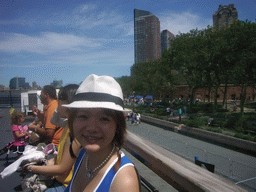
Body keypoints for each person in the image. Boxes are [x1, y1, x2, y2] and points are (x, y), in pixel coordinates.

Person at [63, 74, 140, 192]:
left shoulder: (124, 182)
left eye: (104, 118)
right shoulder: (82, 154)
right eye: (83, 116)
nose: (92, 128)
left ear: (117, 126)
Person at [25, 84, 81, 192]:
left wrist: (31, 168)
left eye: (59, 100)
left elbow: (62, 168)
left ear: (66, 104)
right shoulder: (68, 125)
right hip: (60, 177)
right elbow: (53, 121)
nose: (56, 103)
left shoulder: (73, 132)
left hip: (66, 184)